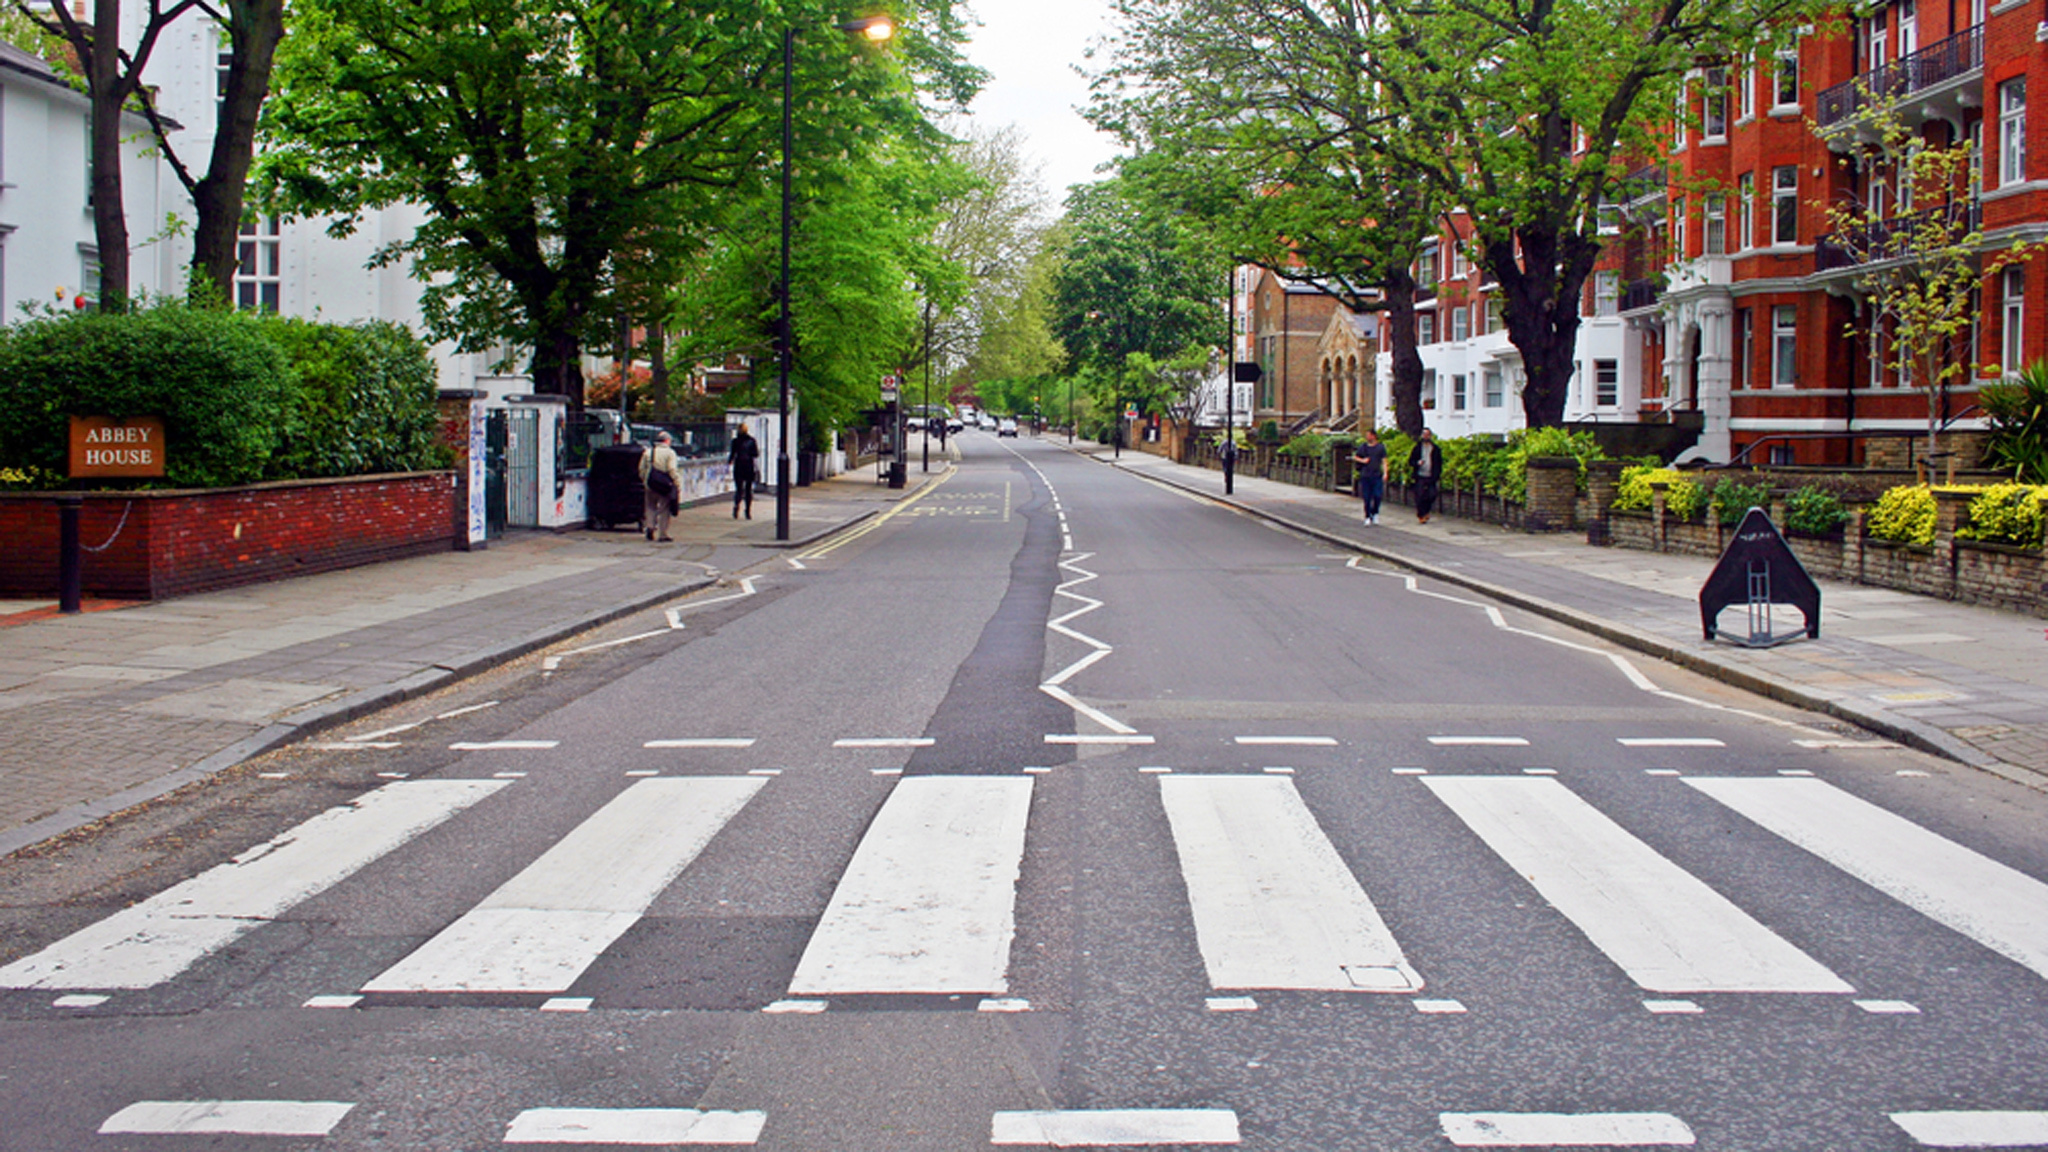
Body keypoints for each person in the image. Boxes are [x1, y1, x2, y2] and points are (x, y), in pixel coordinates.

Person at [639, 431, 683, 542]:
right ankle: (663, 534)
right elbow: (671, 469)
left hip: (650, 484)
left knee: (650, 506)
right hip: (664, 485)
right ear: (667, 441)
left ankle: (650, 526)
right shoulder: (670, 453)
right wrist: (677, 483)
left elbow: (641, 469)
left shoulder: (648, 452)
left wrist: (645, 480)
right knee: (664, 508)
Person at [1349, 429, 1389, 524]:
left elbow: (1384, 461)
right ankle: (1367, 516)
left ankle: (1375, 513)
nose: (1367, 437)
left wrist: (1385, 473)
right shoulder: (1363, 447)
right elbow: (1355, 457)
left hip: (1376, 475)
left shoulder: (1380, 447)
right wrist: (1363, 461)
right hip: (1365, 475)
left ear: (1374, 436)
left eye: (1369, 435)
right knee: (1366, 497)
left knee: (1377, 495)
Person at [1408, 427, 1444, 524]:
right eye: (1424, 434)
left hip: (1431, 476)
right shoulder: (1417, 448)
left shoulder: (1435, 449)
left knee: (1432, 495)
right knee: (1419, 496)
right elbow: (1410, 461)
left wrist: (1437, 474)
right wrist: (1417, 463)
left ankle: (1426, 511)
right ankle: (1421, 514)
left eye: (1427, 434)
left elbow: (1439, 463)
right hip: (1420, 475)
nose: (1426, 436)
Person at [728, 424, 760, 520]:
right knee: (748, 489)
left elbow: (732, 454)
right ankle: (747, 511)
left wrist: (729, 462)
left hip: (739, 466)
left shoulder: (735, 441)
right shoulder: (752, 441)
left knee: (739, 489)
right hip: (749, 466)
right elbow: (756, 454)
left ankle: (736, 507)